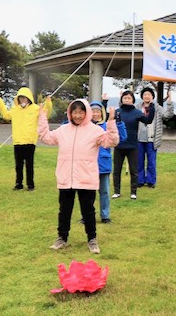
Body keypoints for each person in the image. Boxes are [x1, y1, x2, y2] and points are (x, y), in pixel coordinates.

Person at [38, 99, 120, 254]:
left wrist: (111, 121)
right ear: (70, 113)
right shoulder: (63, 130)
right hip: (66, 177)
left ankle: (92, 239)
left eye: (81, 112)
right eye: (74, 112)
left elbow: (112, 141)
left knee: (88, 211)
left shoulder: (95, 130)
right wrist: (42, 118)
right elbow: (46, 137)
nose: (77, 115)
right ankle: (62, 238)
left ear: (86, 113)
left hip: (86, 177)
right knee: (64, 210)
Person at [0, 87, 53, 191]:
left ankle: (30, 185)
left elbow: (45, 114)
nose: (23, 100)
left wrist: (48, 102)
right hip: (17, 141)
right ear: (18, 99)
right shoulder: (15, 109)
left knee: (29, 165)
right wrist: (0, 102)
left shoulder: (36, 108)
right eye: (21, 98)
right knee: (18, 165)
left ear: (29, 98)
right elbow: (5, 115)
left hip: (30, 141)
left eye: (25, 98)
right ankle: (19, 184)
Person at [88, 101, 127, 224]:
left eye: (98, 111)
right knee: (87, 193)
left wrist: (118, 122)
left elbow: (121, 137)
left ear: (102, 113)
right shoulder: (85, 128)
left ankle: (105, 216)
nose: (95, 114)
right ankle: (87, 215)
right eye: (93, 111)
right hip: (88, 165)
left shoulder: (106, 125)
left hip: (103, 165)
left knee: (104, 191)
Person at [112, 90, 155, 200]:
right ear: (121, 99)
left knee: (134, 170)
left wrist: (151, 108)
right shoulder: (117, 112)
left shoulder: (136, 112)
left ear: (133, 100)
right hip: (119, 146)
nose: (126, 99)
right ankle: (117, 191)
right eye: (124, 98)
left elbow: (148, 120)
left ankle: (133, 192)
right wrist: (104, 102)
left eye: (129, 98)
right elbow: (105, 120)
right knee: (117, 170)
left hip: (132, 146)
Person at [135, 87, 174, 188]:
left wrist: (169, 102)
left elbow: (167, 115)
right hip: (139, 138)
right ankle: (140, 180)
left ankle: (151, 181)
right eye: (145, 94)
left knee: (151, 161)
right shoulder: (138, 107)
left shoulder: (157, 107)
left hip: (152, 139)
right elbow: (127, 112)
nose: (147, 96)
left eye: (149, 94)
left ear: (152, 96)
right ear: (142, 96)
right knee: (139, 161)